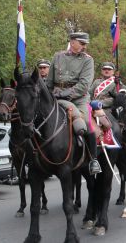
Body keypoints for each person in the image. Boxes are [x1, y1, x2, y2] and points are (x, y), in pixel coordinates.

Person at [46, 31, 101, 175]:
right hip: (56, 97)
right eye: (81, 43)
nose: (84, 47)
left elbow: (84, 85)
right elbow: (49, 82)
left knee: (86, 125)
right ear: (72, 41)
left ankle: (93, 160)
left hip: (79, 99)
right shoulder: (57, 57)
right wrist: (47, 95)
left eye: (85, 44)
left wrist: (66, 93)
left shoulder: (88, 60)